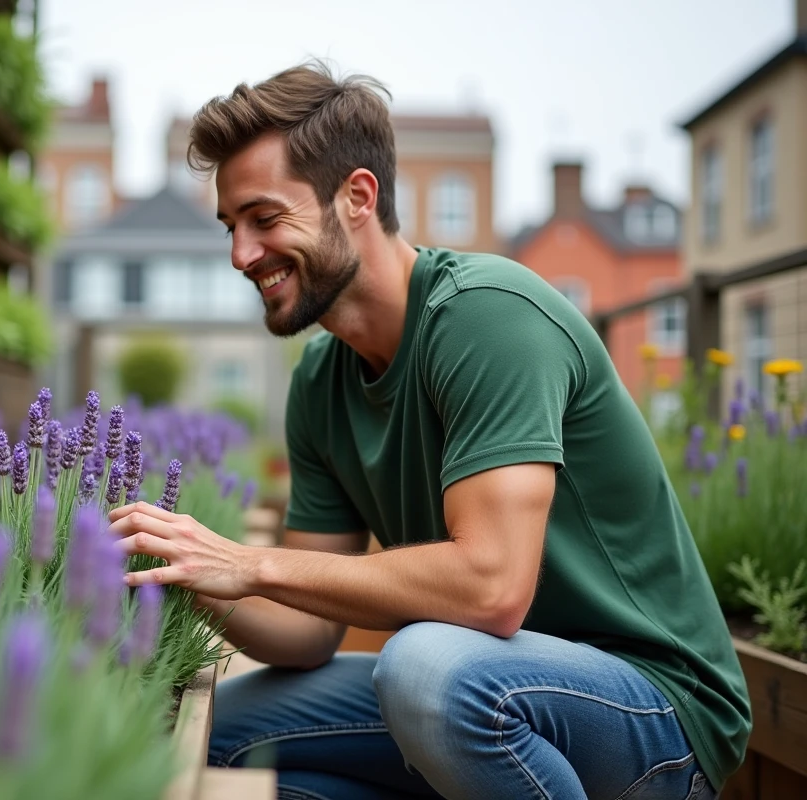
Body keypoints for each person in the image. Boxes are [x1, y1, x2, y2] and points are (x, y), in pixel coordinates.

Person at [106, 60, 751, 800]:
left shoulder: (487, 317)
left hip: (653, 708)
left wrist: (250, 563)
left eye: (265, 218)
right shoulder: (322, 381)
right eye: (231, 227)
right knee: (220, 727)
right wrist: (185, 570)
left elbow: (491, 588)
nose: (240, 255)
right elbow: (309, 632)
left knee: (423, 669)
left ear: (357, 196)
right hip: (491, 694)